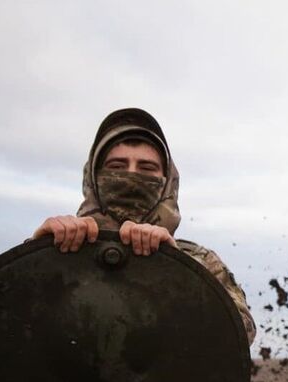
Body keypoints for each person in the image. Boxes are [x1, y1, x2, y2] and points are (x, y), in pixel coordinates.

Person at [32, 108, 256, 344]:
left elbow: (238, 336)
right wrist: (38, 258)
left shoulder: (201, 262)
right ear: (93, 178)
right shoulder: (60, 248)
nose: (131, 175)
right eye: (117, 166)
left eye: (146, 168)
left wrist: (174, 268)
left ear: (167, 181)